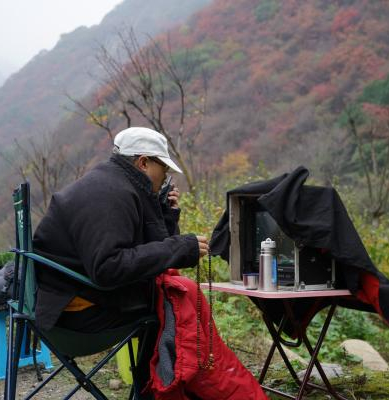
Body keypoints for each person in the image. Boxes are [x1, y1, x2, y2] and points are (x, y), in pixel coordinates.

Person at [33, 127, 267, 399]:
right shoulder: (109, 195)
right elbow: (109, 267)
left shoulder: (115, 183)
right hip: (76, 314)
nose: (165, 176)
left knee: (170, 298)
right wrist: (179, 247)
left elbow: (146, 253)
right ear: (143, 162)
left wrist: (166, 214)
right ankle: (168, 390)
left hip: (76, 298)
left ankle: (161, 389)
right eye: (163, 168)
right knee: (172, 304)